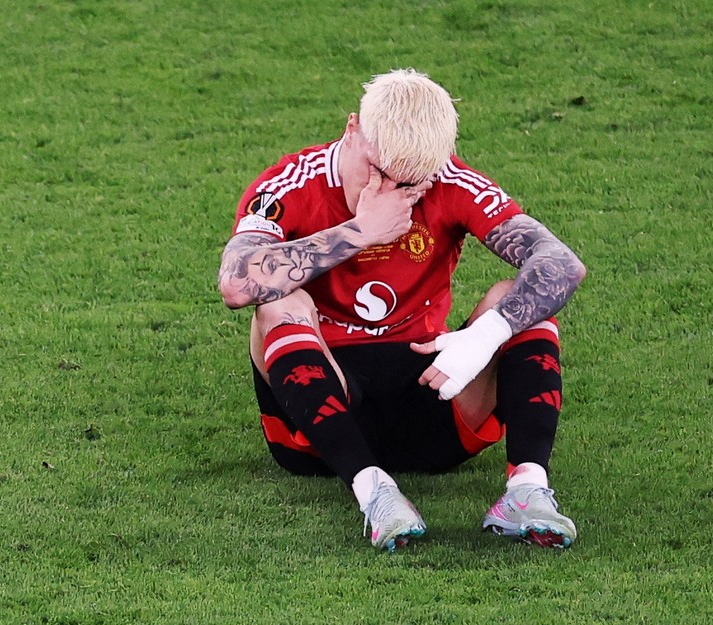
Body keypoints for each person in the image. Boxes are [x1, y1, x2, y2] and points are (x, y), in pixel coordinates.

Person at [218, 69, 586, 551]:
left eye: (408, 182)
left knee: (516, 299)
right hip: (318, 424)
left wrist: (487, 334)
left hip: (431, 402)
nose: (386, 189)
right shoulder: (291, 184)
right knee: (279, 304)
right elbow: (236, 282)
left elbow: (562, 264)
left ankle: (526, 491)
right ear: (352, 129)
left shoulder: (450, 181)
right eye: (376, 169)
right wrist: (362, 231)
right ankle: (374, 492)